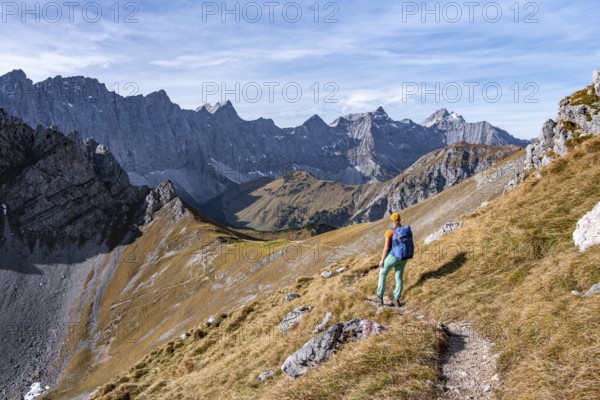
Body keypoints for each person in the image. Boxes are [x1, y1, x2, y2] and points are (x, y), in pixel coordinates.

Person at [376, 212, 408, 307]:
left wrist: (382, 260)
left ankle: (379, 297)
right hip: (404, 257)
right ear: (400, 220)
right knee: (399, 278)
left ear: (392, 221)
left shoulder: (389, 232)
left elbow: (386, 248)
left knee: (382, 273)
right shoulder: (405, 230)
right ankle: (396, 299)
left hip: (393, 256)